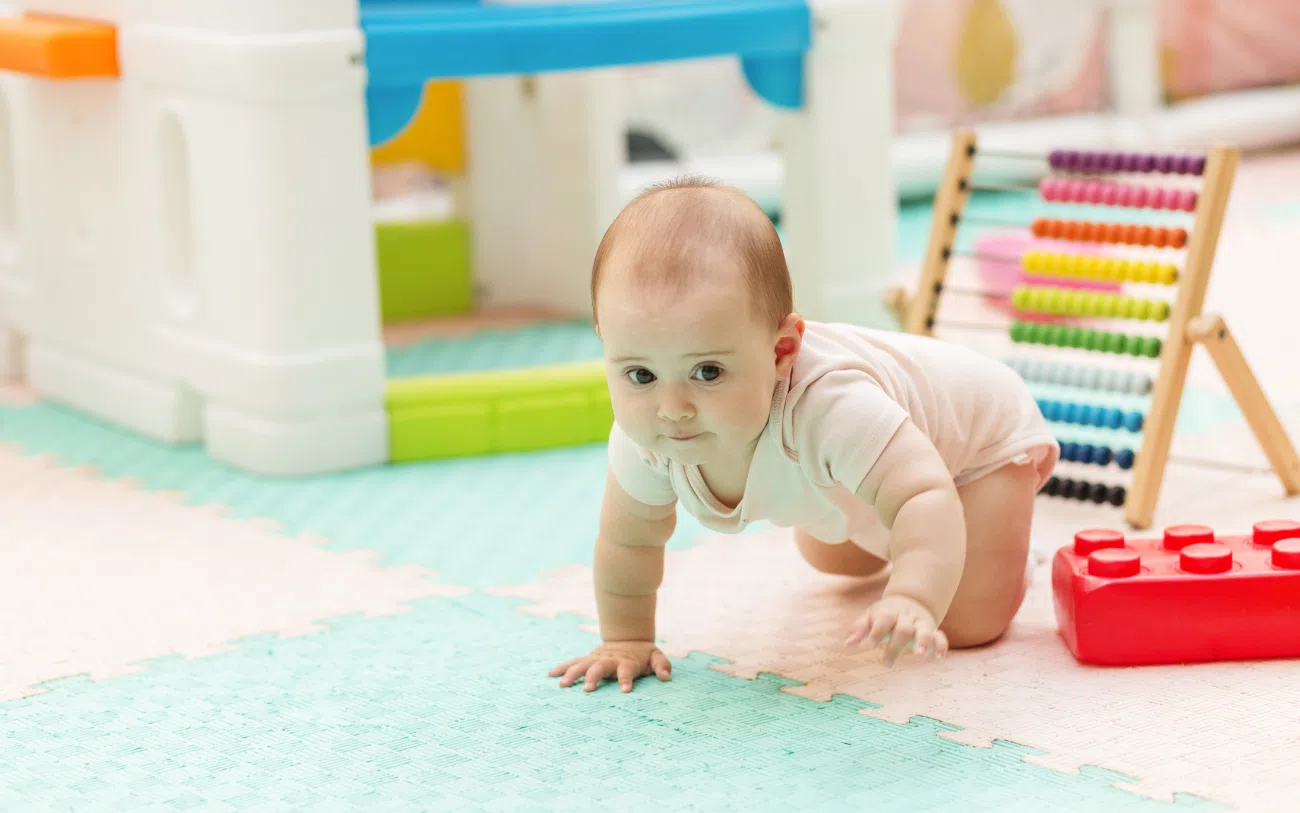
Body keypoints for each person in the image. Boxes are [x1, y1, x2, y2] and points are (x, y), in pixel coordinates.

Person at [549, 177, 1058, 693]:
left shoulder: (833, 407)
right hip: (873, 463)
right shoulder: (644, 440)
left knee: (966, 619)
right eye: (640, 375)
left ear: (781, 352)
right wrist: (626, 640)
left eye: (707, 372)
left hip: (977, 446)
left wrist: (913, 597)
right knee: (831, 557)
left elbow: (923, 492)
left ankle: (1013, 555)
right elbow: (628, 540)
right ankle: (912, 540)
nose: (672, 409)